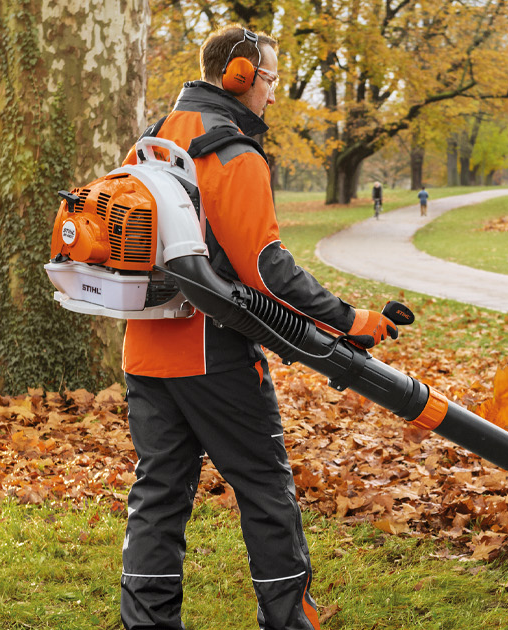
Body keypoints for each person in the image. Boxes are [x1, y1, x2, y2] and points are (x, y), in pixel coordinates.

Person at [117, 26, 400, 630]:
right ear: (240, 76)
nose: (272, 92)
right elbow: (268, 273)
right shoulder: (232, 153)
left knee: (158, 498)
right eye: (269, 78)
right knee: (266, 490)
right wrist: (350, 320)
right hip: (213, 354)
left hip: (143, 351)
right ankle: (289, 621)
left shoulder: (149, 143)